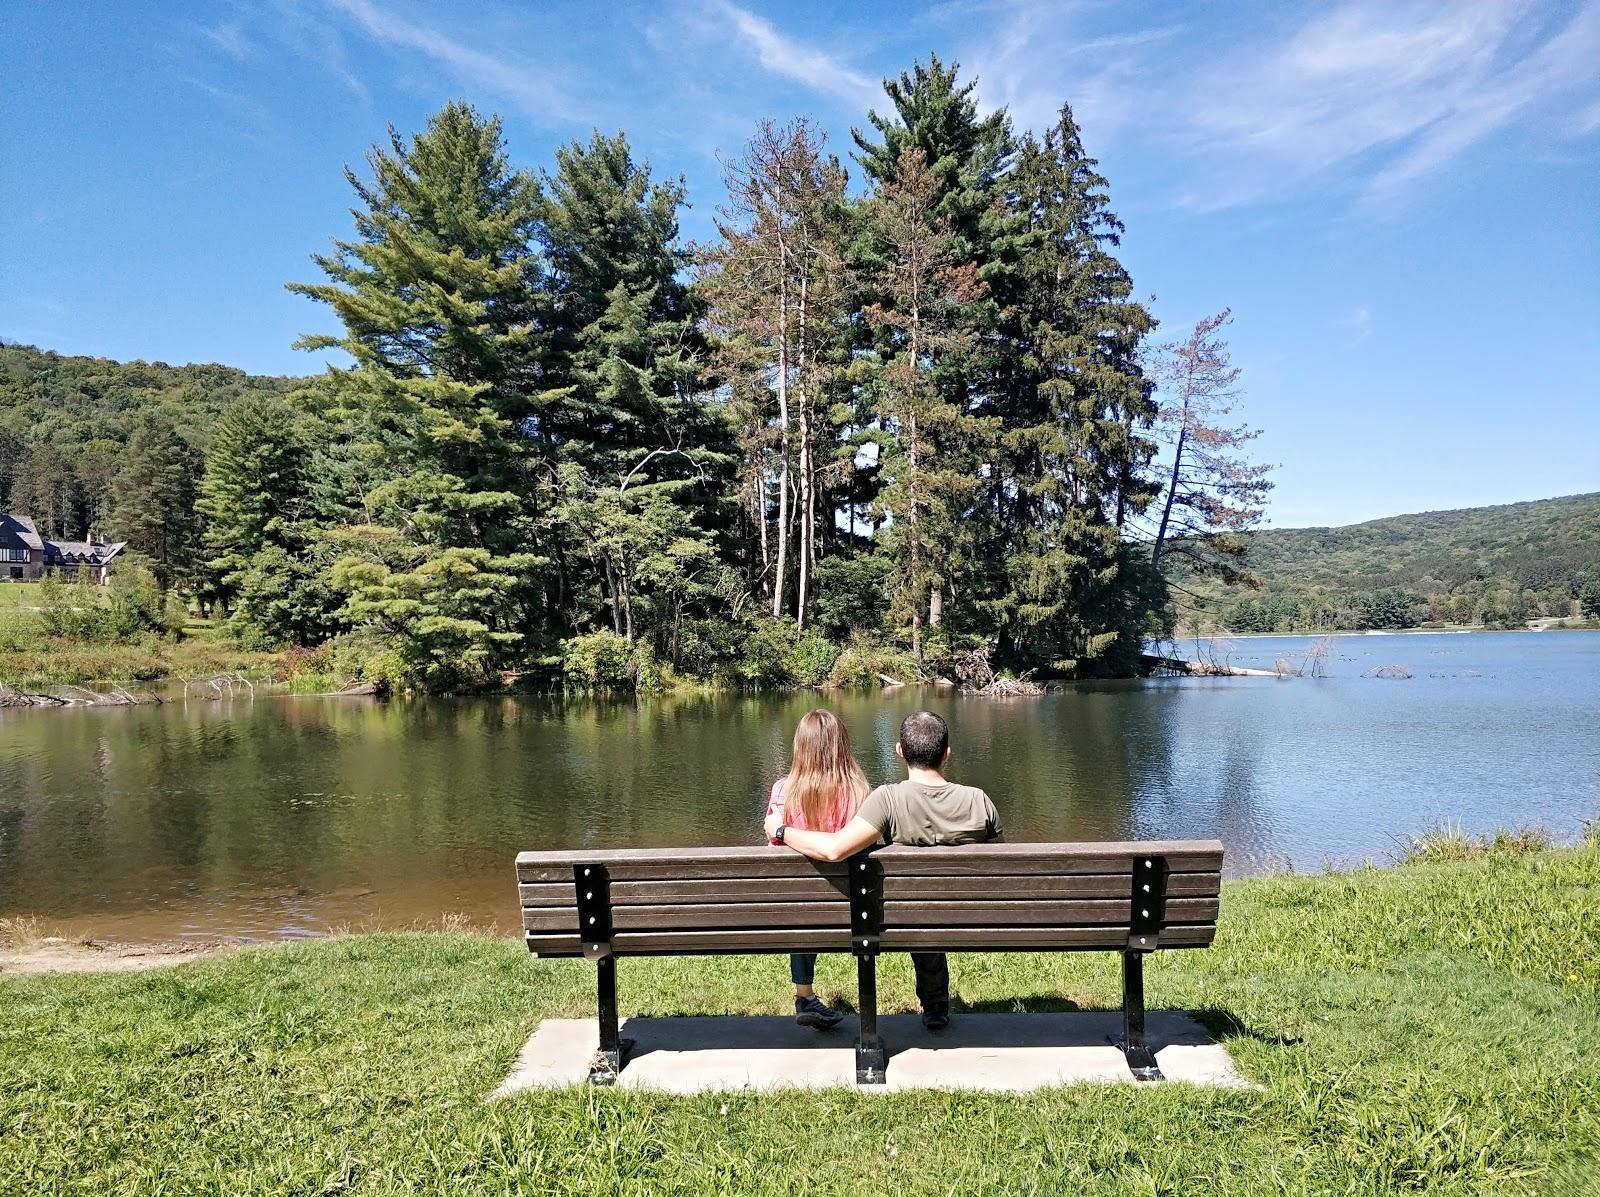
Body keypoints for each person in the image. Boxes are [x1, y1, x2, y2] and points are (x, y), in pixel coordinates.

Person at [765, 710, 1001, 1031]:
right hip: (957, 915)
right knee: (922, 908)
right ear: (947, 753)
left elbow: (831, 849)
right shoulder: (979, 800)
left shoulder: (884, 799)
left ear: (900, 751)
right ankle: (935, 1005)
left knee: (904, 905)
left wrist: (780, 831)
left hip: (823, 911)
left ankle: (805, 995)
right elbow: (999, 860)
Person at [763, 709, 871, 1030]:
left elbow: (775, 853)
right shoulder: (859, 792)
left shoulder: (783, 790)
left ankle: (804, 995)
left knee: (801, 900)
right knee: (815, 896)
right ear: (842, 746)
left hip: (799, 909)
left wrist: (780, 830)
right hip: (854, 906)